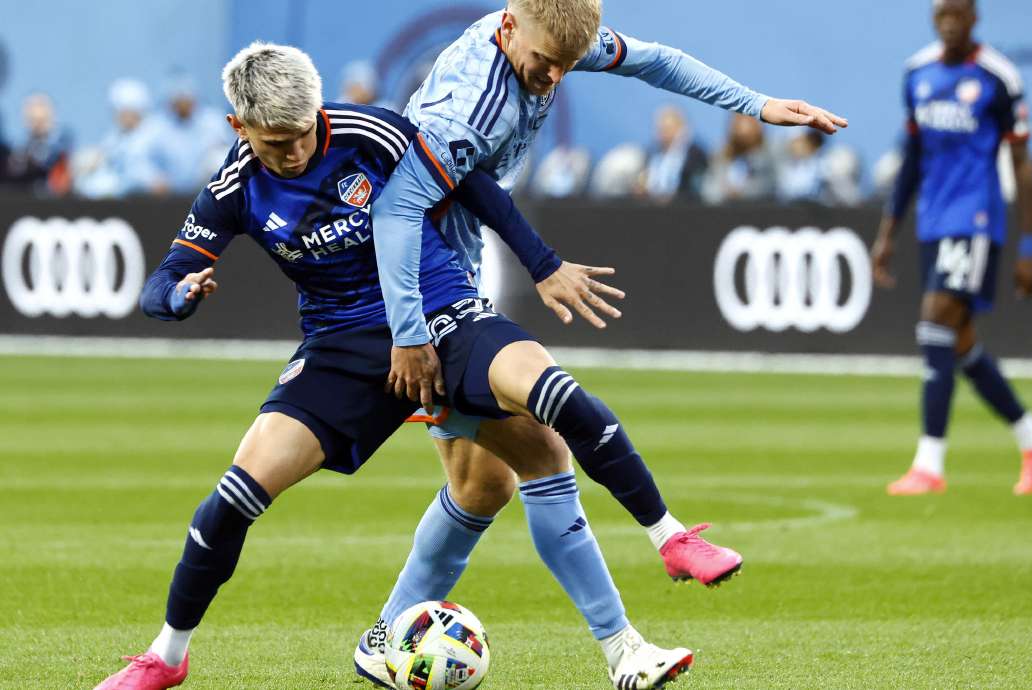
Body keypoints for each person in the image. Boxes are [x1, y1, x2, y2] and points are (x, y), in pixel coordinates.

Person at [92, 42, 690, 690]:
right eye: (274, 143)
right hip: (341, 344)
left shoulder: (370, 133)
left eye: (301, 134)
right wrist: (179, 297)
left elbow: (474, 186)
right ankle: (167, 656)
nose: (293, 152)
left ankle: (630, 638)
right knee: (232, 499)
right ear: (239, 128)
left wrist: (542, 265)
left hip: (440, 312)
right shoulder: (235, 186)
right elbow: (163, 281)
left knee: (548, 421)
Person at [366, 0, 846, 683]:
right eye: (542, 63)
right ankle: (629, 640)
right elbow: (400, 208)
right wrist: (410, 331)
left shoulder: (554, 39)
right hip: (415, 279)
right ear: (507, 29)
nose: (554, 77)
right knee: (548, 444)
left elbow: (657, 61)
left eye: (567, 65)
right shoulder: (467, 106)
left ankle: (383, 637)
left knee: (481, 486)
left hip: (454, 270)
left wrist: (759, 104)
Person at [871, 0, 1032, 497]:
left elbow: (1022, 163)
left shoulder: (999, 77)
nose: (949, 23)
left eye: (958, 13)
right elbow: (912, 157)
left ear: (975, 18)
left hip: (976, 218)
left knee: (934, 321)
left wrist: (1028, 243)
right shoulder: (916, 72)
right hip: (933, 221)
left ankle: (929, 465)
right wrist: (888, 232)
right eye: (941, 15)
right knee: (958, 343)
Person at [74, 78, 167, 198]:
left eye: (124, 110)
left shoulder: (156, 134)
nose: (120, 115)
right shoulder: (114, 137)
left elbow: (163, 179)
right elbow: (101, 160)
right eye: (117, 110)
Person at [149, 74, 234, 194]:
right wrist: (153, 177)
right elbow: (146, 159)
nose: (183, 103)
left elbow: (233, 151)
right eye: (179, 100)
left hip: (208, 190)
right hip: (170, 193)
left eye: (186, 98)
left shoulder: (213, 121)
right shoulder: (157, 126)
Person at [3, 92, 73, 196]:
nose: (36, 123)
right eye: (32, 119)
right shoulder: (17, 151)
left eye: (41, 120)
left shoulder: (63, 145)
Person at [635, 104, 707, 202]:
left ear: (680, 128)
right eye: (660, 129)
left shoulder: (695, 154)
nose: (662, 133)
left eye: (667, 128)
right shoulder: (651, 153)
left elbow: (697, 188)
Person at [702, 112, 776, 202]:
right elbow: (708, 190)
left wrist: (741, 193)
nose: (742, 126)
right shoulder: (720, 156)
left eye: (748, 121)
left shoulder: (770, 154)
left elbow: (770, 185)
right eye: (738, 121)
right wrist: (726, 192)